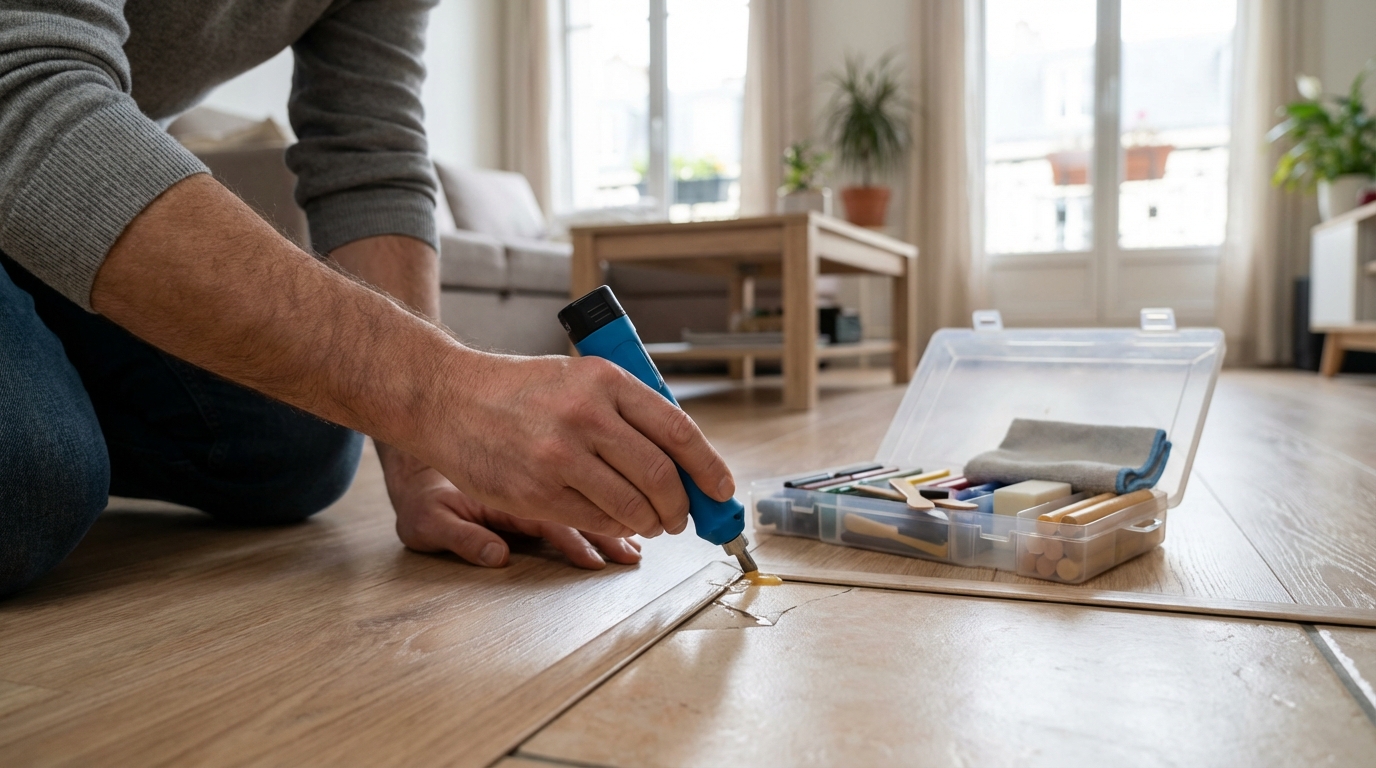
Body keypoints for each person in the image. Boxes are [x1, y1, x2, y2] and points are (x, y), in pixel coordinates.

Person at [0, 0, 735, 596]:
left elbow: (368, 152)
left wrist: (423, 459)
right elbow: (23, 84)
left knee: (303, 445)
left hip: (53, 214)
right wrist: (443, 393)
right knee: (29, 485)